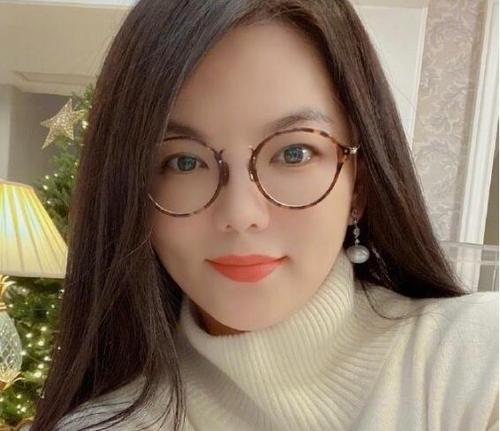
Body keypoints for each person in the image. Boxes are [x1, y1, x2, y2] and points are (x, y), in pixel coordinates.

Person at [29, 0, 498, 430]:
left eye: (294, 153)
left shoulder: (477, 363)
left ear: (359, 184)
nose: (240, 214)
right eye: (184, 162)